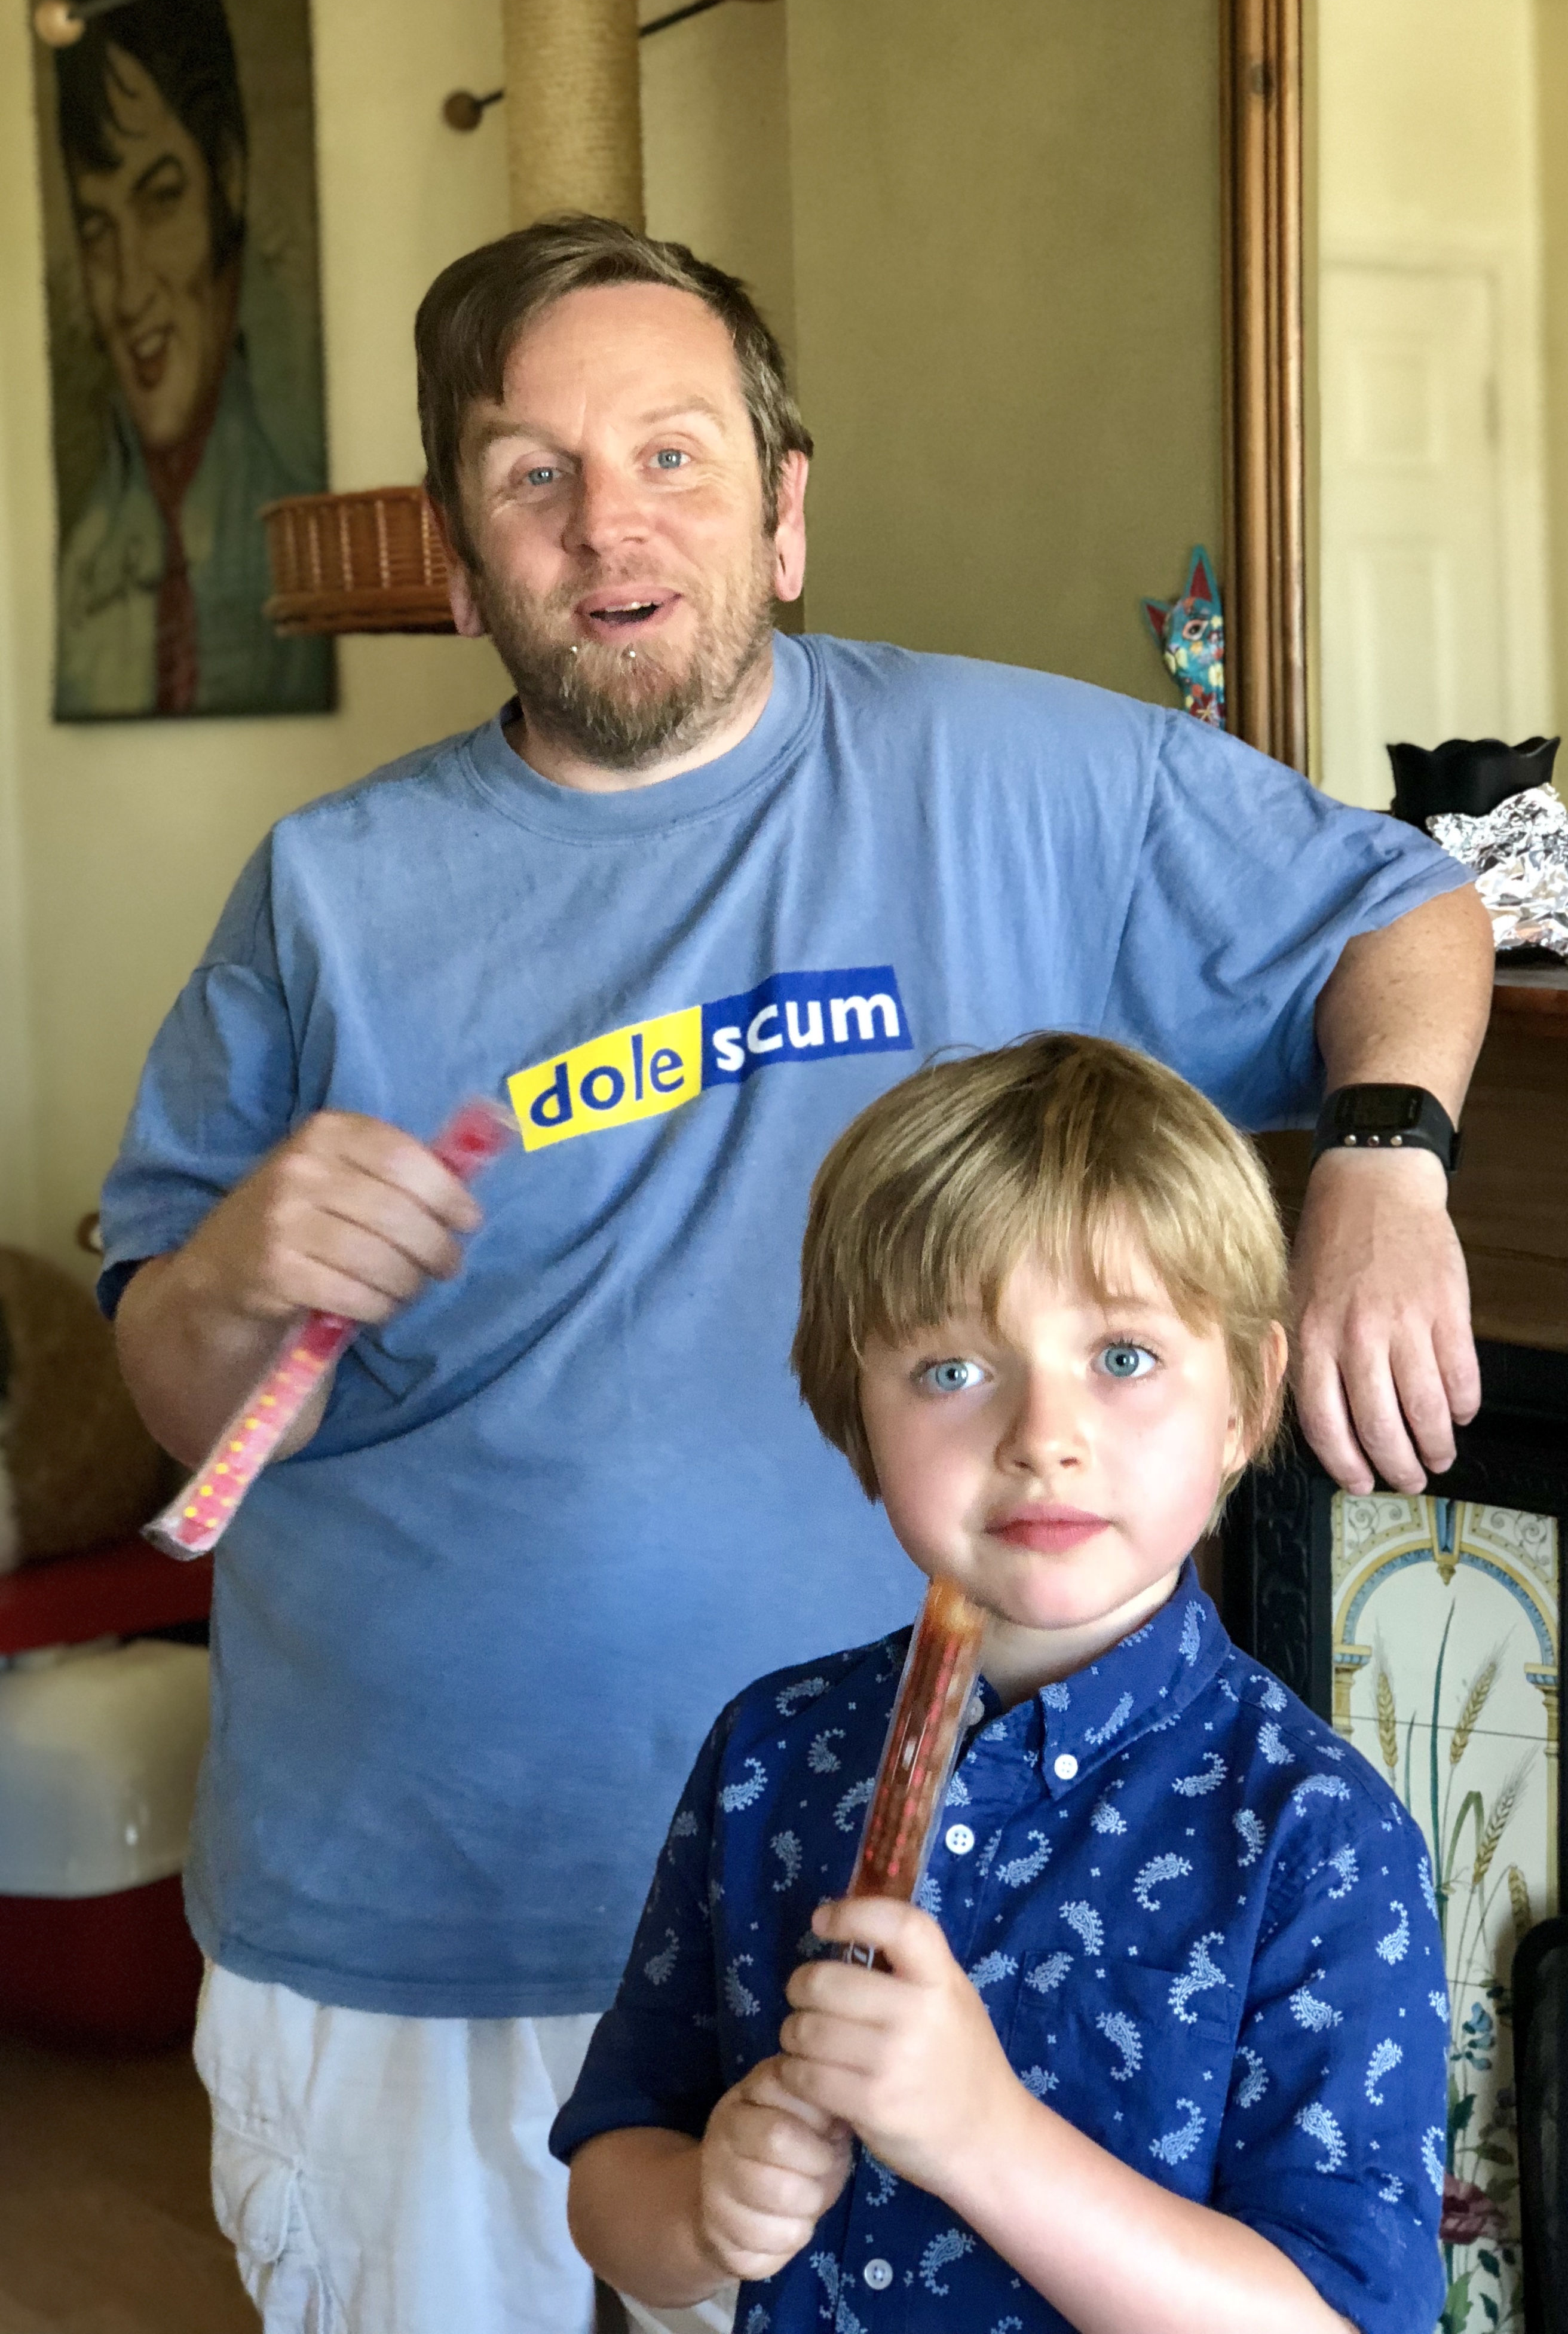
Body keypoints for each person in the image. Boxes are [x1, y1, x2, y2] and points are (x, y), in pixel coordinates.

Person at [100, 213, 1487, 2333]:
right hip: (413, 1927)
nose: (610, 524)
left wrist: (1383, 1168)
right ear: (457, 561)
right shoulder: (325, 894)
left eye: (673, 453)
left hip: (862, 1937)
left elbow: (1400, 904)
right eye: (533, 475)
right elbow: (181, 1407)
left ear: (784, 512)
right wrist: (227, 1276)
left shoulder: (1032, 778)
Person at [556, 1033, 1449, 2334]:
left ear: (1245, 1402)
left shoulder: (1317, 1836)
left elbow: (1341, 2320)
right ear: (856, 1419)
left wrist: (981, 2137)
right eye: (952, 1371)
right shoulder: (773, 1751)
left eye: (1124, 1356)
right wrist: (701, 2211)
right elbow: (613, 2173)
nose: (1042, 1438)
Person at [52, 0, 330, 719]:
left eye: (161, 197)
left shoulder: (306, 523)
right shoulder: (83, 569)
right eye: (97, 228)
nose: (129, 288)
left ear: (227, 178)